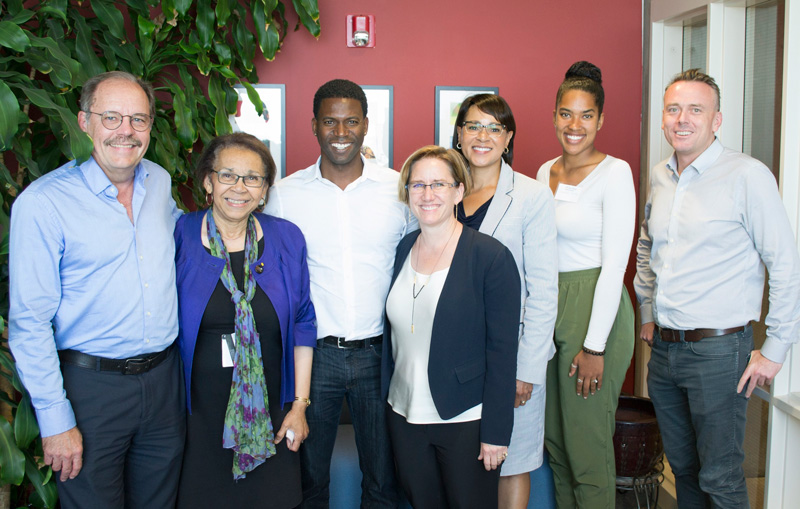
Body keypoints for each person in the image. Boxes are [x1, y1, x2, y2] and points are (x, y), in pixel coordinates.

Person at [8, 71, 184, 508]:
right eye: (111, 117)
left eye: (138, 119)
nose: (126, 130)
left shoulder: (159, 183)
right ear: (84, 122)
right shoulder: (43, 202)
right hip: (91, 390)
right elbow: (29, 323)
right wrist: (55, 420)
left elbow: (189, 242)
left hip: (164, 385)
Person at [635, 69, 800, 508]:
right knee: (683, 470)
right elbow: (647, 246)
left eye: (695, 109)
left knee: (721, 477)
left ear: (717, 119)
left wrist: (776, 348)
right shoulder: (660, 174)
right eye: (673, 109)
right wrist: (648, 313)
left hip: (719, 353)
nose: (681, 119)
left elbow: (785, 263)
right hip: (666, 354)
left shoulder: (747, 176)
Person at [265, 78, 414, 508]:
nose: (341, 131)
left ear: (367, 125)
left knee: (383, 480)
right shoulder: (284, 196)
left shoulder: (398, 190)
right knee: (308, 478)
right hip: (315, 356)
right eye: (330, 121)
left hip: (380, 353)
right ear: (314, 125)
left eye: (351, 121)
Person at [174, 133, 316, 507]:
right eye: (227, 175)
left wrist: (299, 406)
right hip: (197, 417)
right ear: (207, 181)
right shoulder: (180, 236)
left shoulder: (287, 239)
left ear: (265, 189)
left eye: (252, 178)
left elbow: (303, 323)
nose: (240, 188)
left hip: (272, 413)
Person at [382, 145, 520, 508]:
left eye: (439, 184)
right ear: (407, 192)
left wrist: (495, 434)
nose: (428, 194)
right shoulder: (403, 248)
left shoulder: (490, 257)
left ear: (459, 191)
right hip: (404, 414)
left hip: (464, 418)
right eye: (418, 185)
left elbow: (503, 354)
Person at [536, 61, 636, 508]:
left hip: (595, 304)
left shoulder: (615, 173)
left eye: (586, 115)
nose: (574, 125)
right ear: (554, 114)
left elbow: (615, 266)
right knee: (555, 443)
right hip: (550, 304)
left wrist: (594, 347)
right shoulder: (542, 172)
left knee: (586, 445)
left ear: (601, 119)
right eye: (566, 114)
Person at [451, 94, 558, 508]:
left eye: (494, 128)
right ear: (459, 134)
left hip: (510, 355)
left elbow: (544, 290)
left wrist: (527, 370)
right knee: (463, 458)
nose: (483, 136)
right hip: (453, 353)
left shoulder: (531, 197)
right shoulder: (442, 189)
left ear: (508, 137)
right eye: (474, 126)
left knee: (512, 461)